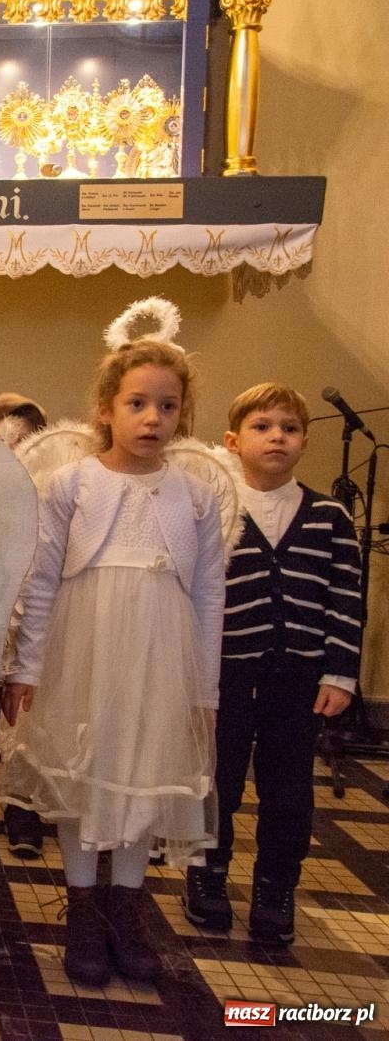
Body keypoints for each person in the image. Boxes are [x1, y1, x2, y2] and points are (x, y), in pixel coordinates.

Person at [0, 316, 223, 987]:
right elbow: (40, 582)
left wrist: (203, 692)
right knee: (84, 775)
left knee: (140, 777)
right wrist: (27, 668)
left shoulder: (197, 495)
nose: (152, 417)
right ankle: (82, 908)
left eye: (167, 405)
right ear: (105, 407)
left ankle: (127, 911)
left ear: (183, 414)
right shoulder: (71, 486)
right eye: (137, 403)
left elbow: (209, 597)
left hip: (161, 654)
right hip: (84, 650)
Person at [183, 383, 362, 945]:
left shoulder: (329, 517)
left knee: (289, 790)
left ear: (305, 441)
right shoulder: (213, 509)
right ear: (233, 441)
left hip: (301, 677)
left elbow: (345, 598)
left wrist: (340, 672)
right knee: (219, 781)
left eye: (289, 427)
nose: (277, 436)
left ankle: (275, 888)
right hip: (226, 673)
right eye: (262, 426)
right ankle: (207, 877)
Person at [0, 391, 51, 860]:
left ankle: (23, 808)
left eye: (22, 441)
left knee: (23, 721)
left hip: (29, 615)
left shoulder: (48, 495)